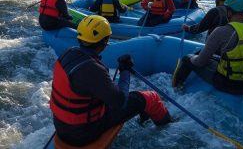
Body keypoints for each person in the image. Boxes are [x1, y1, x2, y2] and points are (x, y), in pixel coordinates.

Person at [49, 15, 172, 147]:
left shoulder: (67, 54)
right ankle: (169, 127)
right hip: (84, 134)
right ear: (104, 41)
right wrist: (125, 71)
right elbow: (120, 101)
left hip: (62, 127)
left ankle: (143, 118)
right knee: (150, 98)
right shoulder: (92, 70)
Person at [174, 0, 243, 96]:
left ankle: (176, 90)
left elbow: (199, 62)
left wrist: (192, 57)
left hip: (228, 84)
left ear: (229, 12)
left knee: (188, 59)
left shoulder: (222, 31)